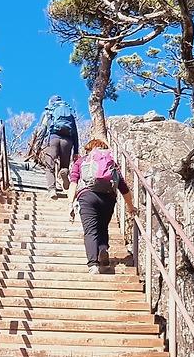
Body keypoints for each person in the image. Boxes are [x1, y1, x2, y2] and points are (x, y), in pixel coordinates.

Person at [68, 136, 134, 270]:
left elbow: (73, 182)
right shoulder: (111, 164)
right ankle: (103, 249)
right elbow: (123, 187)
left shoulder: (81, 162)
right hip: (108, 198)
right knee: (103, 227)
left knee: (91, 230)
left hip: (88, 197)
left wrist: (70, 203)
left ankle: (93, 264)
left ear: (88, 150)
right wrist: (131, 207)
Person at [31, 95, 79, 194]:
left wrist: (38, 147)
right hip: (68, 141)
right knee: (64, 166)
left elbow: (42, 130)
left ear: (50, 103)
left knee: (50, 165)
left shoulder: (48, 112)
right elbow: (75, 132)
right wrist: (76, 151)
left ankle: (52, 189)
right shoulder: (70, 115)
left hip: (53, 139)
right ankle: (64, 172)